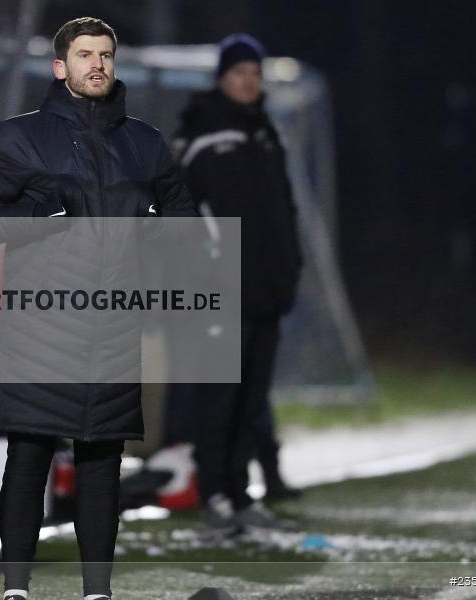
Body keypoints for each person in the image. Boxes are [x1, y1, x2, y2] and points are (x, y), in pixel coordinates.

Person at [0, 17, 195, 600]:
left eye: (106, 55)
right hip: (40, 321)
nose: (97, 65)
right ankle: (15, 590)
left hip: (113, 323)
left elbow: (185, 224)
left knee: (101, 460)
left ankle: (97, 593)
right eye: (84, 55)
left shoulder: (144, 143)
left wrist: (155, 234)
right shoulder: (21, 137)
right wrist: (40, 220)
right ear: (60, 67)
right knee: (30, 451)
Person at [172, 34, 303, 530]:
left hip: (266, 290)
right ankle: (215, 499)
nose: (249, 82)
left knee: (251, 400)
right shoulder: (201, 134)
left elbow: (283, 212)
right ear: (222, 78)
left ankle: (242, 495)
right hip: (221, 293)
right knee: (219, 400)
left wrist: (290, 266)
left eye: (255, 73)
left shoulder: (265, 133)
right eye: (239, 73)